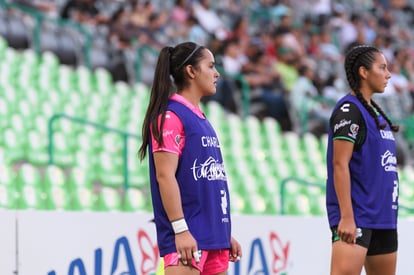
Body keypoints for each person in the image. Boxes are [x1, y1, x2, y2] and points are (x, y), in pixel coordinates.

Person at [138, 41, 242, 275]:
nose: (216, 73)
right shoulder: (172, 116)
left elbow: (205, 184)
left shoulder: (201, 118)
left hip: (213, 239)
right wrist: (180, 229)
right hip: (187, 240)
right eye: (211, 66)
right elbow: (165, 177)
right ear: (191, 71)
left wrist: (222, 233)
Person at [326, 45, 400, 275]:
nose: (388, 74)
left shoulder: (375, 113)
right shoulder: (349, 110)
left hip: (384, 218)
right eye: (382, 67)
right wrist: (347, 217)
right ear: (363, 72)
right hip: (357, 218)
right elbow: (340, 164)